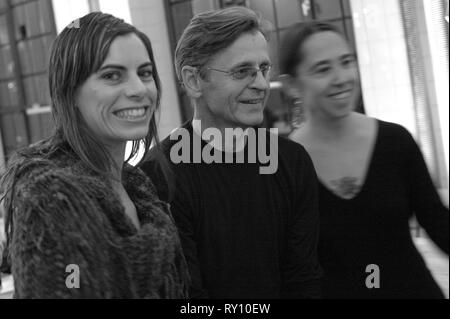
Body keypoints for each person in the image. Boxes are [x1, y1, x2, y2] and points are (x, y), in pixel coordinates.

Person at [0, 12, 189, 298]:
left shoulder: (138, 186)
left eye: (145, 72)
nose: (139, 89)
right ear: (70, 91)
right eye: (112, 75)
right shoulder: (51, 196)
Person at [140, 7, 322, 298]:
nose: (261, 84)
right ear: (194, 80)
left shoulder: (292, 161)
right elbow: (185, 296)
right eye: (242, 71)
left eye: (264, 69)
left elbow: (304, 279)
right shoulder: (159, 174)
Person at [279, 21, 449, 298]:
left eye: (347, 62)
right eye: (323, 69)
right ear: (292, 85)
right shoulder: (285, 167)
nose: (341, 77)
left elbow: (438, 224)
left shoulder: (395, 142)